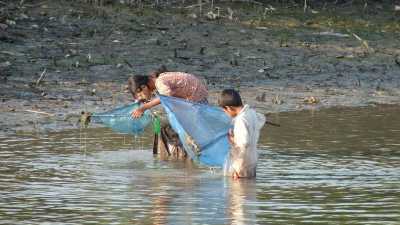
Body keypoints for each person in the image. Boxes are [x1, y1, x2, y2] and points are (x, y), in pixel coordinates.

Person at [128, 65, 208, 160]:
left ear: (144, 87)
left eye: (141, 94)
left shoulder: (159, 82)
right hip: (190, 101)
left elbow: (167, 97)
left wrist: (144, 108)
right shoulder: (158, 82)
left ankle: (192, 154)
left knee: (187, 135)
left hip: (196, 101)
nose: (143, 97)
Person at [218, 89, 265, 179]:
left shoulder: (240, 120)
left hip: (241, 163)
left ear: (228, 108)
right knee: (249, 188)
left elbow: (244, 143)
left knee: (239, 191)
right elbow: (262, 119)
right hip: (253, 160)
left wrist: (233, 140)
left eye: (224, 111)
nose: (226, 114)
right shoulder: (251, 113)